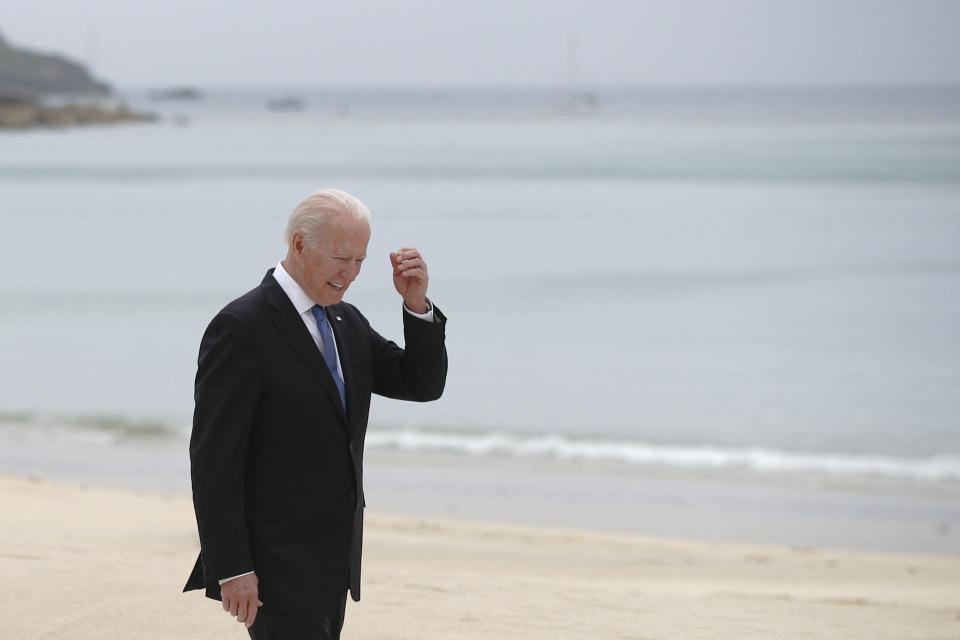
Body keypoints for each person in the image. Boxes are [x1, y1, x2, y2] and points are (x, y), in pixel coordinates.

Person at [183, 188, 448, 639]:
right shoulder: (242, 327)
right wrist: (231, 567)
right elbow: (213, 461)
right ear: (300, 245)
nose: (351, 273)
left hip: (334, 557)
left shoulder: (346, 321)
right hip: (272, 562)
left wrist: (416, 306)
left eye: (361, 260)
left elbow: (419, 384)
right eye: (341, 257)